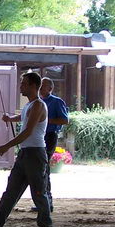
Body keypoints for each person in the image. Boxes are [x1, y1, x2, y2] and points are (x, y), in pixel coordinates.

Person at [0, 71, 54, 227]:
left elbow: (28, 131)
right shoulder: (29, 105)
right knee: (11, 192)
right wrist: (11, 119)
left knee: (39, 192)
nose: (20, 86)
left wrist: (7, 146)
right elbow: (24, 117)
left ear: (33, 86)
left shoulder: (39, 105)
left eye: (23, 84)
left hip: (35, 154)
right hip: (26, 154)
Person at [32, 77, 69, 212]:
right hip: (38, 136)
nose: (40, 88)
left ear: (50, 89)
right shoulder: (37, 102)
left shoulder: (57, 102)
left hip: (49, 136)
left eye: (43, 86)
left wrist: (45, 120)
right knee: (37, 169)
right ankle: (42, 201)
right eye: (39, 86)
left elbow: (64, 120)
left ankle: (47, 202)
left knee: (43, 169)